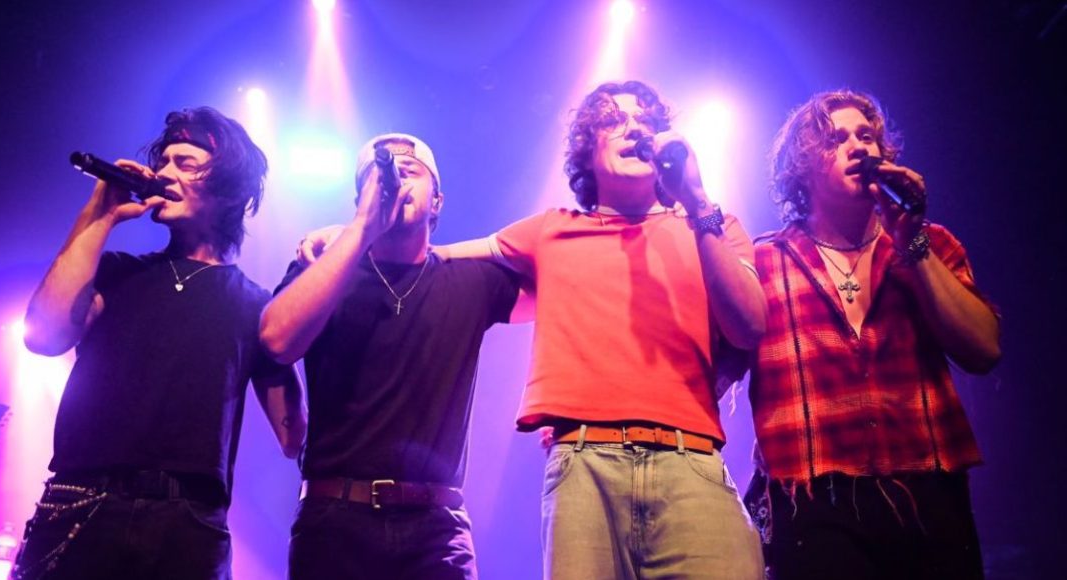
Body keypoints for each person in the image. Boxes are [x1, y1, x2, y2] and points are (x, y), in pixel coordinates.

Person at [428, 80, 766, 579]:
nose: (634, 129)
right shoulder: (551, 229)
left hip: (691, 458)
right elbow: (434, 258)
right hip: (583, 464)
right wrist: (354, 238)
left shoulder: (712, 225)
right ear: (587, 150)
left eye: (645, 121)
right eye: (614, 120)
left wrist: (696, 200)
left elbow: (751, 326)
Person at [15, 106, 306, 580]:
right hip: (81, 503)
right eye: (163, 161)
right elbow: (44, 335)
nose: (164, 173)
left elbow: (294, 438)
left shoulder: (258, 307)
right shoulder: (116, 272)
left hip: (188, 523)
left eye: (185, 163)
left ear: (232, 190)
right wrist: (99, 215)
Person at [744, 89, 1001, 579]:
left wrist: (912, 243)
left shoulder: (929, 242)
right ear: (802, 167)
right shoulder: (764, 261)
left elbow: (984, 349)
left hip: (928, 489)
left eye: (866, 136)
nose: (858, 147)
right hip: (813, 500)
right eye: (836, 139)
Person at [259, 133, 519, 580]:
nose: (396, 180)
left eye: (410, 172)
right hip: (334, 521)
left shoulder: (470, 280)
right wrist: (359, 229)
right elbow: (277, 340)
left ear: (437, 201)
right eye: (380, 176)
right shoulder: (321, 271)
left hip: (436, 529)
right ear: (360, 198)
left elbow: (556, 274)